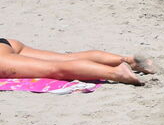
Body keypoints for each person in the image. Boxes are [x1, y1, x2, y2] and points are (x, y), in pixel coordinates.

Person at [0, 37, 155, 86]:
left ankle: (115, 72)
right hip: (7, 42)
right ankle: (127, 60)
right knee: (66, 59)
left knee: (54, 69)